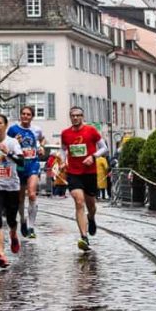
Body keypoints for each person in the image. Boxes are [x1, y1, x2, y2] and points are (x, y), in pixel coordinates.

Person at [61, 106, 108, 253]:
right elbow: (63, 149)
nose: (75, 118)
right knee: (79, 201)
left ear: (82, 116)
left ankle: (91, 218)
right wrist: (63, 161)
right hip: (74, 173)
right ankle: (83, 236)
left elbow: (104, 148)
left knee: (91, 205)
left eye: (78, 115)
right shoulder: (65, 134)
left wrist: (93, 156)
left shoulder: (91, 131)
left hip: (89, 173)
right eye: (73, 116)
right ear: (70, 117)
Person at [0, 114, 24, 268]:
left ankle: (14, 234)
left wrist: (8, 152)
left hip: (11, 187)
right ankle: (1, 254)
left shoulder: (13, 142)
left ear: (5, 125)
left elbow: (22, 162)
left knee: (11, 220)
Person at [8, 106, 45, 238]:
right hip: (19, 166)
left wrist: (41, 147)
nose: (25, 116)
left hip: (32, 164)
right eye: (23, 114)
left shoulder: (36, 129)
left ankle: (31, 227)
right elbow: (6, 145)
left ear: (32, 117)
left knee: (32, 194)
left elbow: (42, 139)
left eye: (28, 114)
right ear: (20, 115)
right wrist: (14, 142)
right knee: (20, 198)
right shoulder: (13, 130)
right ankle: (23, 220)